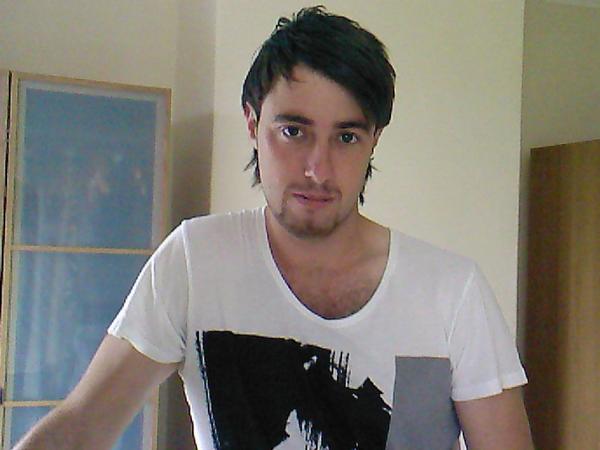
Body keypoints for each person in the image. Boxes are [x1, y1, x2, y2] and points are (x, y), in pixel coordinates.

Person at [15, 6, 534, 450]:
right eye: (293, 131)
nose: (317, 169)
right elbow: (83, 425)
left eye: (346, 137)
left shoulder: (450, 293)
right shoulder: (197, 261)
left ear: (374, 140)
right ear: (252, 124)